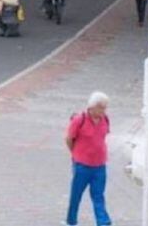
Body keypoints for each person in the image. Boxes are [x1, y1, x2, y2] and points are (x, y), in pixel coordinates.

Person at [65, 91, 112, 226]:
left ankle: (103, 222)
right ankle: (71, 220)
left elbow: (103, 137)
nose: (104, 110)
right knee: (76, 195)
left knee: (98, 195)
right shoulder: (79, 120)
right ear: (92, 107)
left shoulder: (105, 119)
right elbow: (69, 139)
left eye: (105, 107)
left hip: (99, 165)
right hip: (82, 165)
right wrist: (76, 153)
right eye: (101, 107)